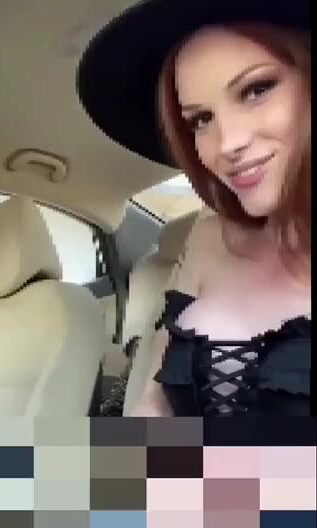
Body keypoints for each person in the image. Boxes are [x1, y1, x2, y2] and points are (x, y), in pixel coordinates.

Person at [77, 0, 311, 416]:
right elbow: (153, 403)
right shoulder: (208, 237)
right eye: (201, 119)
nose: (227, 143)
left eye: (256, 90)